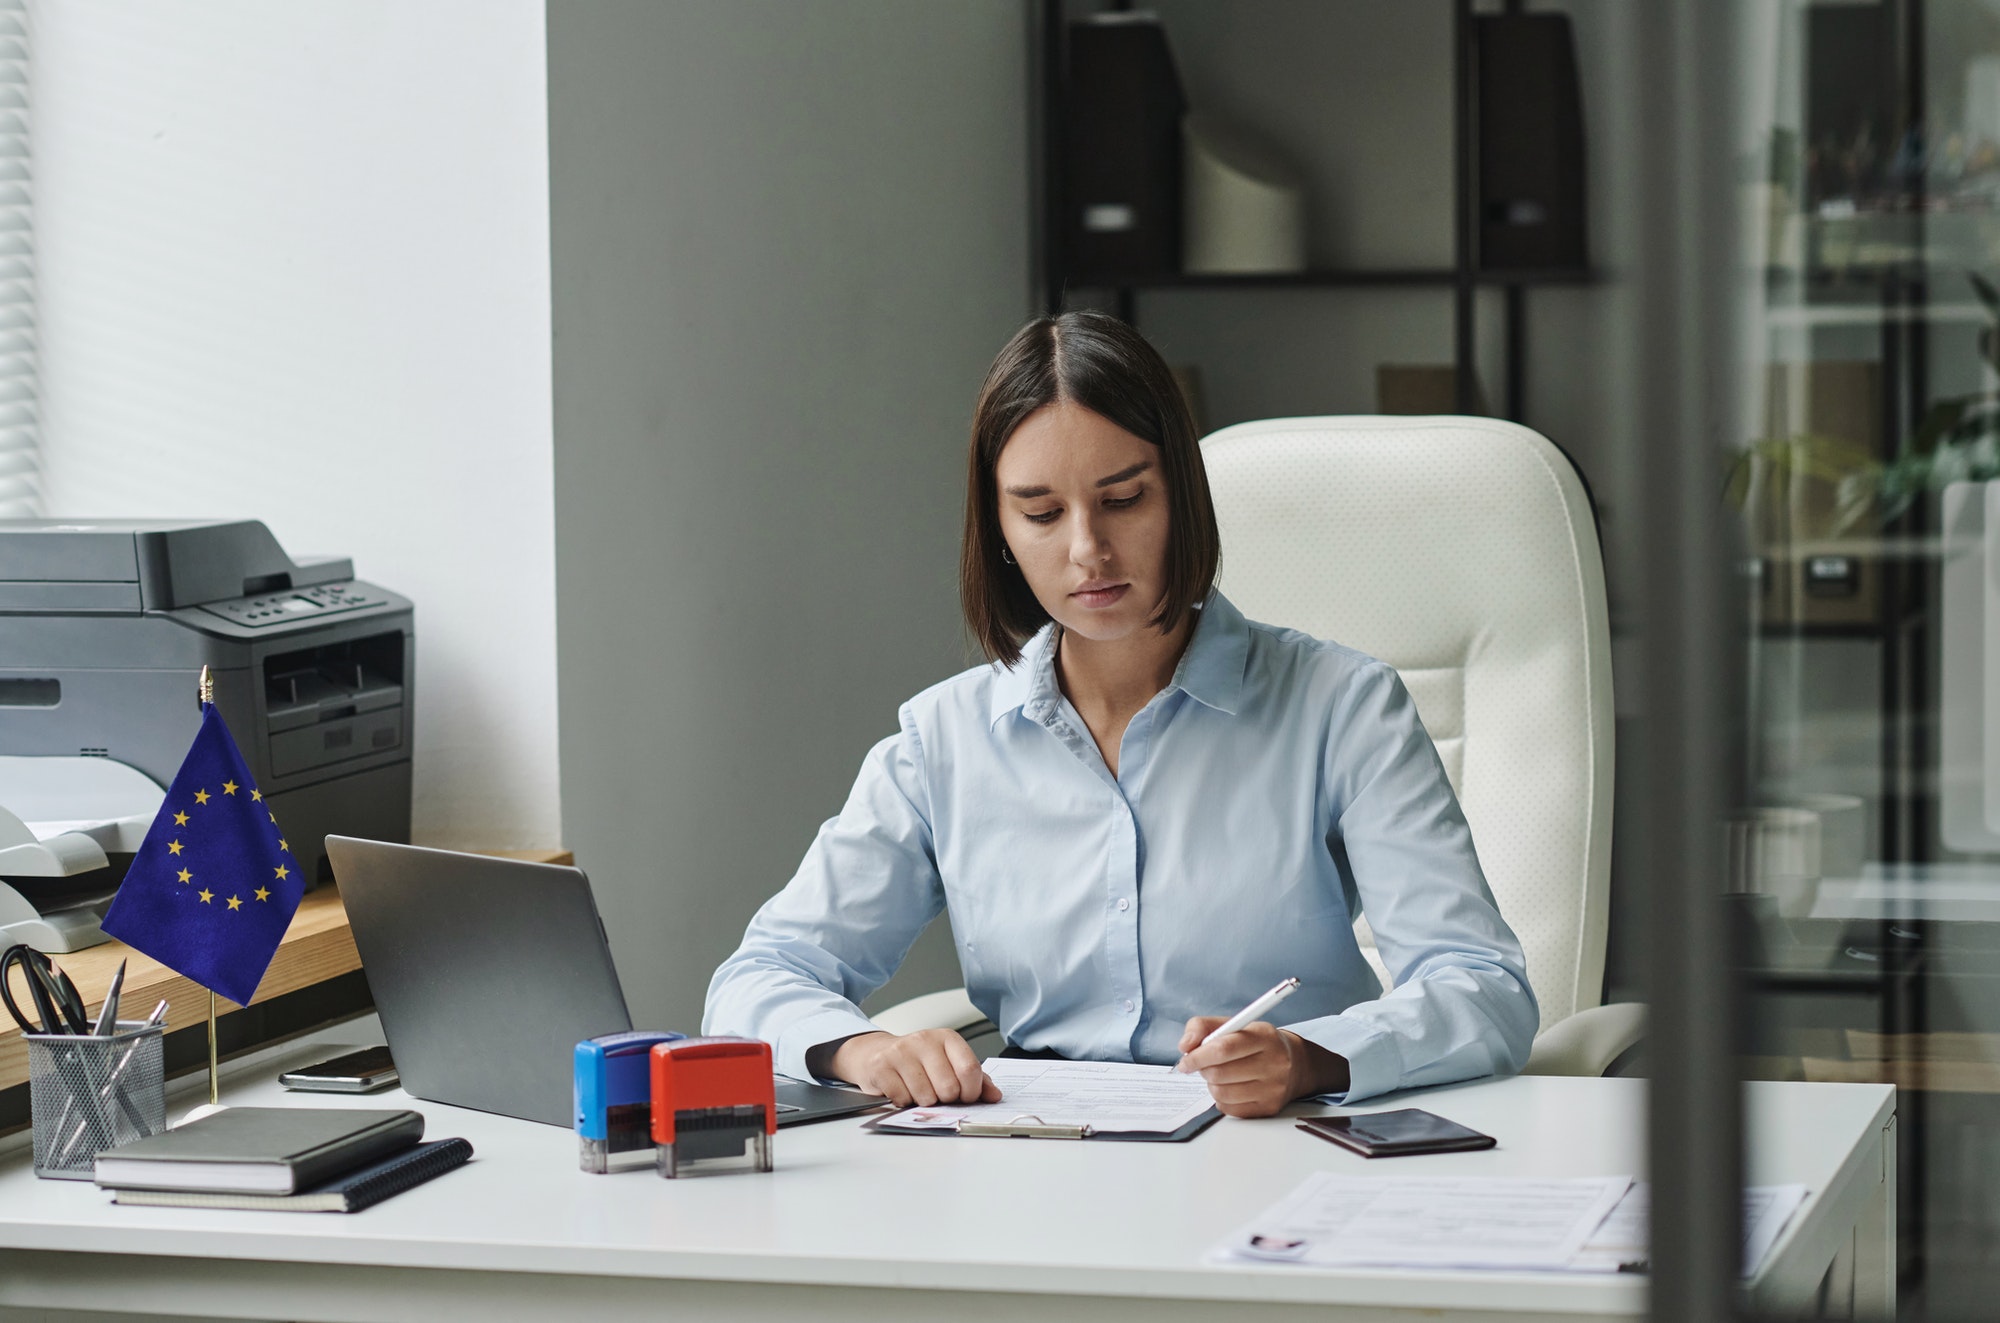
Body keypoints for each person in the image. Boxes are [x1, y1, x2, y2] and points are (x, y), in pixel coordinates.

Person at [704, 310, 1536, 1118]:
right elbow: (758, 977)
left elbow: (1482, 984)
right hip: (1032, 1167)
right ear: (997, 527)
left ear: (1182, 495)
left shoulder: (1343, 709)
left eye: (1124, 499)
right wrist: (860, 1049)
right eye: (1040, 513)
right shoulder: (942, 742)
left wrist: (1311, 1057)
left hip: (1271, 1156)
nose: (1086, 552)